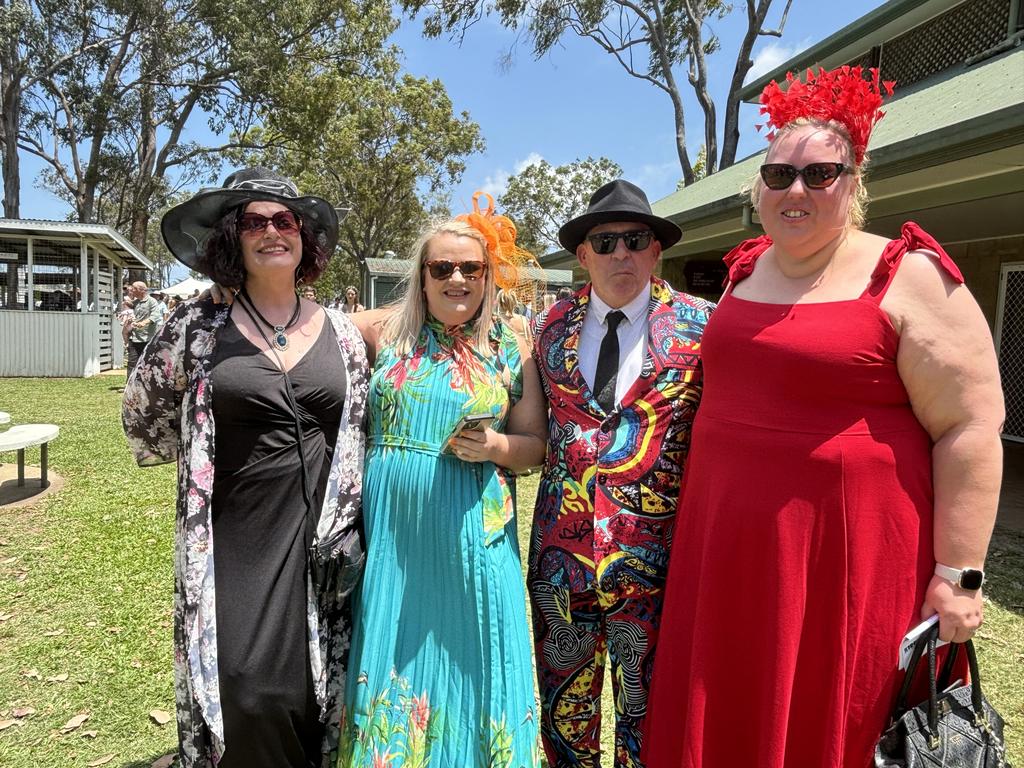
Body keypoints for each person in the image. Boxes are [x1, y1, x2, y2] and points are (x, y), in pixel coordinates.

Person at [644, 67, 1004, 768]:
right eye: (778, 174)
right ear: (758, 188)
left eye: (820, 174)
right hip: (725, 552)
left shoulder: (909, 275)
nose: (796, 190)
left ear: (855, 178)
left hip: (846, 561)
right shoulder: (747, 269)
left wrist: (959, 574)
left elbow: (971, 426)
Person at [122, 167, 369, 768]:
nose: (271, 232)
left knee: (321, 690)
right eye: (254, 222)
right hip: (236, 529)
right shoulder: (197, 328)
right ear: (233, 238)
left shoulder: (342, 331)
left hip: (327, 536)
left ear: (305, 237)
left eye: (285, 221)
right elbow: (142, 417)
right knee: (246, 684)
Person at [337, 193, 547, 767]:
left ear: (487, 278)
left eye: (470, 268)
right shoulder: (383, 334)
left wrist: (498, 446)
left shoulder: (510, 348)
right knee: (393, 651)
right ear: (422, 278)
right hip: (396, 538)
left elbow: (536, 447)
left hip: (472, 535)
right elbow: (299, 328)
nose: (456, 278)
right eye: (442, 268)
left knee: (477, 656)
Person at [528, 179, 713, 767]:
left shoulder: (705, 328)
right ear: (583, 256)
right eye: (605, 243)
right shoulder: (545, 332)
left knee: (649, 726)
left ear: (657, 251)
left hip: (657, 569)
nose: (621, 254)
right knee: (565, 727)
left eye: (636, 240)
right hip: (562, 567)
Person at [125, 281, 163, 373]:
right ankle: (129, 386)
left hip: (147, 339)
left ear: (141, 290)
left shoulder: (152, 301)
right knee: (132, 363)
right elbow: (130, 309)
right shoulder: (136, 302)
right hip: (134, 338)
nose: (131, 290)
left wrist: (144, 322)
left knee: (148, 364)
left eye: (133, 288)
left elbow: (155, 315)